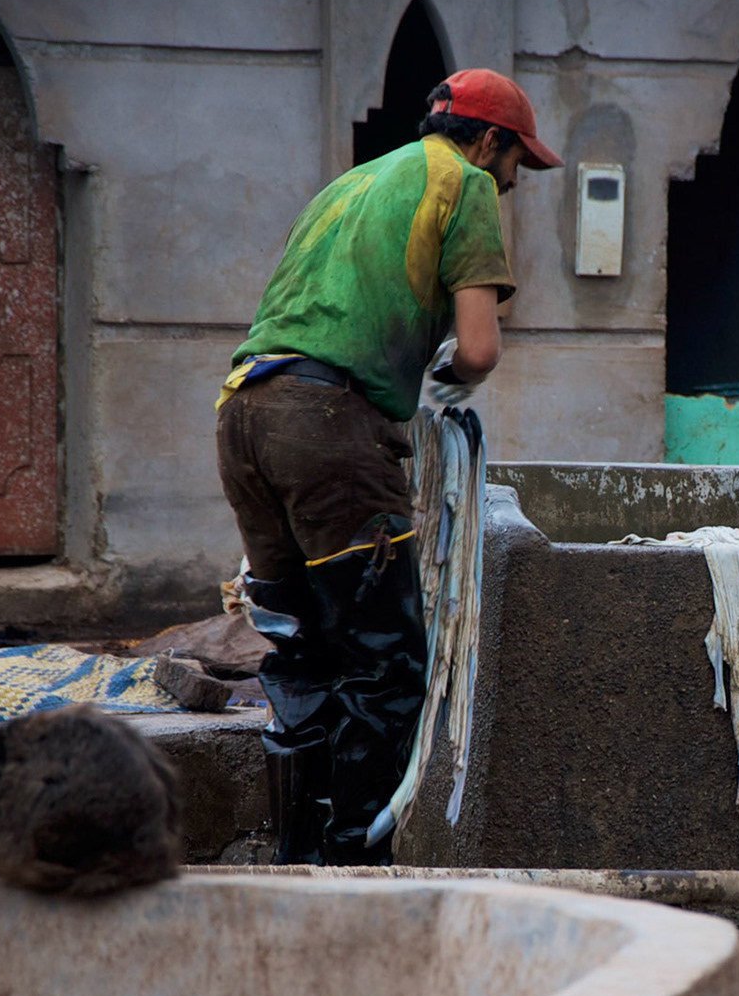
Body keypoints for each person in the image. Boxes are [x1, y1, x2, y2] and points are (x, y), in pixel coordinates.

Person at [214, 69, 561, 864]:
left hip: (244, 413)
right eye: (517, 162)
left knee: (301, 647)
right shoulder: (464, 182)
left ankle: (294, 859)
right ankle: (355, 874)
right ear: (490, 141)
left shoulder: (351, 184)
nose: (513, 182)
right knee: (386, 665)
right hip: (328, 430)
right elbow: (479, 348)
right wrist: (449, 380)